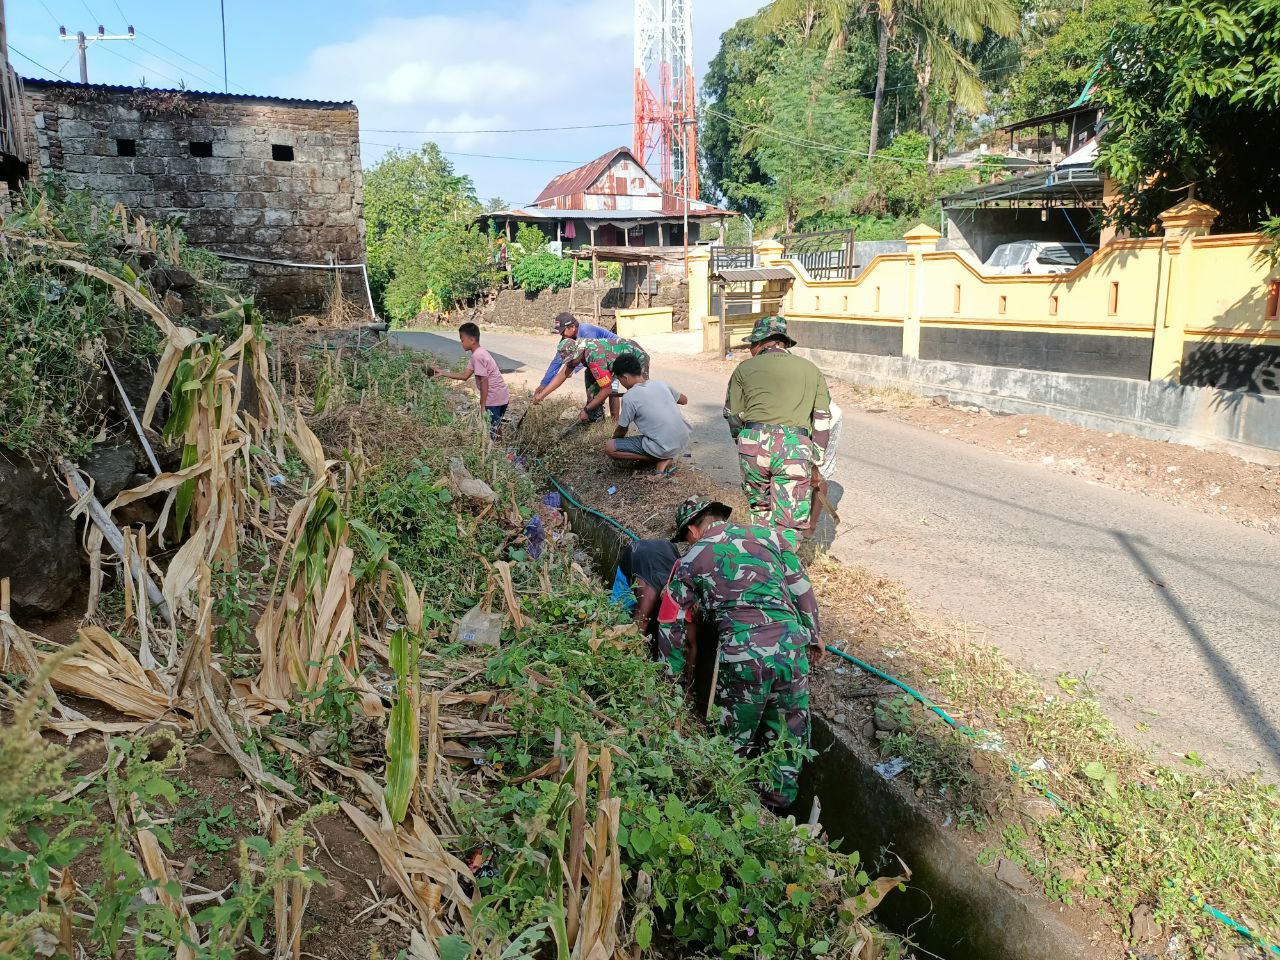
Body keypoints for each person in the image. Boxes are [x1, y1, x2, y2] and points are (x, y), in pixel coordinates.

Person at [656, 496, 823, 811]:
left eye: (685, 537)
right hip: (791, 649)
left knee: (731, 744)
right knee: (787, 739)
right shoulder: (767, 536)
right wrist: (813, 636)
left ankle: (727, 808)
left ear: (693, 528)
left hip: (744, 658)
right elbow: (801, 585)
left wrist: (671, 682)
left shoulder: (691, 559)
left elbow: (670, 626)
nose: (685, 543)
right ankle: (777, 815)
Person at [723, 315, 832, 551]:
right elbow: (823, 419)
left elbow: (732, 415)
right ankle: (786, 570)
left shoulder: (744, 369)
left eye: (751, 344)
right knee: (790, 523)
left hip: (753, 444)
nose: (750, 349)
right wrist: (816, 460)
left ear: (762, 342)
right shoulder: (811, 370)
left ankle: (762, 566)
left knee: (760, 510)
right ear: (783, 342)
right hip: (795, 448)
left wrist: (743, 444)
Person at [604, 352, 690, 475]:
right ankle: (665, 455)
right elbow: (684, 400)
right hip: (683, 439)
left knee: (610, 447)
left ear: (625, 378)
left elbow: (622, 429)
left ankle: (660, 458)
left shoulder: (629, 397)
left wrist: (616, 440)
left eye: (620, 380)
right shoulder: (660, 384)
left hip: (664, 446)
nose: (622, 384)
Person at [533, 336, 650, 424]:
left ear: (578, 352)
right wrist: (542, 395)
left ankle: (647, 420)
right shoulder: (578, 351)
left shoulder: (594, 357)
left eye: (572, 360)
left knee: (639, 391)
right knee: (590, 378)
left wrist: (586, 409)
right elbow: (562, 375)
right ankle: (596, 417)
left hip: (636, 356)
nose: (572, 363)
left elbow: (607, 389)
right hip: (612, 361)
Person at [432, 322, 511, 438]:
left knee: (490, 431)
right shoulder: (480, 352)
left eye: (462, 340)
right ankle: (500, 447)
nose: (461, 343)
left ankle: (494, 451)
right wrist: (442, 373)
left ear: (472, 340)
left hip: (493, 399)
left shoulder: (477, 356)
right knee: (496, 425)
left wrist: (483, 405)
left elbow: (484, 382)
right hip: (502, 396)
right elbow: (464, 376)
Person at [538, 313, 619, 421]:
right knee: (592, 385)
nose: (561, 335)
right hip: (598, 361)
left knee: (611, 390)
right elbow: (557, 361)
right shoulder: (567, 338)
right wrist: (544, 384)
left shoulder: (586, 331)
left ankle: (615, 423)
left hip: (614, 357)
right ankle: (595, 416)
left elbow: (588, 356)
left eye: (563, 331)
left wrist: (571, 369)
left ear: (572, 327)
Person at [611, 537, 681, 645]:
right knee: (619, 611)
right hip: (635, 554)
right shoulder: (649, 592)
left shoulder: (681, 585)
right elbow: (640, 622)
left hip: (667, 549)